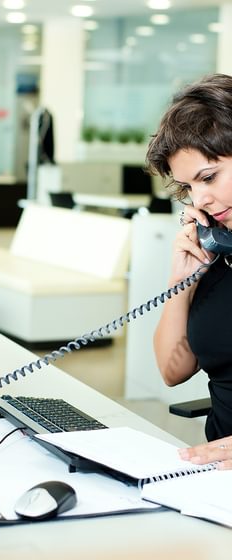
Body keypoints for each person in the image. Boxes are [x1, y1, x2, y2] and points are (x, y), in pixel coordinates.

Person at [145, 73, 232, 470]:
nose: (202, 200)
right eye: (189, 188)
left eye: (209, 178)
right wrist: (181, 283)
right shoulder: (219, 254)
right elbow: (172, 370)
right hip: (213, 477)